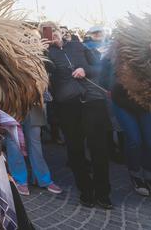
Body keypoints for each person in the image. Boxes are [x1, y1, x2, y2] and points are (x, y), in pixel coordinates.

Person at [46, 28, 113, 209]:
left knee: (99, 148)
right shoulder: (46, 53)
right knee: (75, 150)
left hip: (93, 100)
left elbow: (99, 68)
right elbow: (45, 72)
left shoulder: (79, 46)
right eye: (46, 32)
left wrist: (86, 70)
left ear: (60, 31)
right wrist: (40, 51)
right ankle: (86, 191)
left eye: (53, 31)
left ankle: (103, 193)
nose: (52, 36)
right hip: (68, 105)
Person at [102, 45, 151, 199]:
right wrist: (114, 87)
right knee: (134, 141)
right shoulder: (113, 55)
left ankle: (149, 177)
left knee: (149, 142)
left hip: (145, 104)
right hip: (123, 103)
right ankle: (136, 175)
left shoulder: (147, 54)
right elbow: (104, 78)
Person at [6, 101, 62, 196]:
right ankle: (20, 179)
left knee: (35, 142)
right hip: (11, 100)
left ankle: (42, 178)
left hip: (33, 102)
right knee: (13, 142)